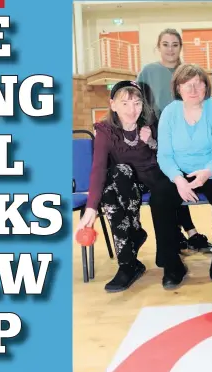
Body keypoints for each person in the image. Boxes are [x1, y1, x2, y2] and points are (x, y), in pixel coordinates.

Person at [154, 63, 212, 288]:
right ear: (178, 88)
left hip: (211, 169)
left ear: (206, 86)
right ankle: (172, 265)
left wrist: (207, 173)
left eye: (198, 84)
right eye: (187, 84)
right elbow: (164, 155)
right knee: (160, 197)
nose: (193, 89)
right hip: (178, 171)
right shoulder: (170, 112)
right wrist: (178, 179)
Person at [76, 81, 160, 292]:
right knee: (116, 177)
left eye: (137, 103)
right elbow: (98, 169)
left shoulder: (150, 124)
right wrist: (91, 208)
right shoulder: (105, 131)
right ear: (113, 105)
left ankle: (127, 262)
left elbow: (165, 158)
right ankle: (129, 257)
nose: (132, 110)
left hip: (149, 183)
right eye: (125, 104)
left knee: (119, 175)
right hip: (122, 185)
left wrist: (151, 142)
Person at [137, 28, 211, 254]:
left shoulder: (188, 72)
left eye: (175, 44)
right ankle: (186, 233)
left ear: (181, 47)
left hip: (186, 139)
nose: (170, 49)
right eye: (166, 44)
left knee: (181, 181)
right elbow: (136, 99)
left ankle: (187, 232)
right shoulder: (148, 71)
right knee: (168, 184)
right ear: (158, 47)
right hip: (157, 139)